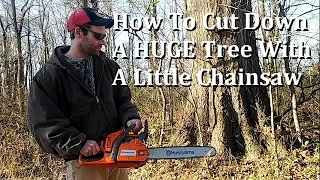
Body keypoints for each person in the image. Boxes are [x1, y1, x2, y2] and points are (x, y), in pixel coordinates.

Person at [26, 7, 142, 180]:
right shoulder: (48, 77)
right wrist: (78, 143)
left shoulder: (111, 68)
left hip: (116, 156)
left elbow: (123, 101)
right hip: (85, 163)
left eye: (104, 36)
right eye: (98, 36)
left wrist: (130, 118)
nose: (103, 42)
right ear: (79, 32)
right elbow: (44, 123)